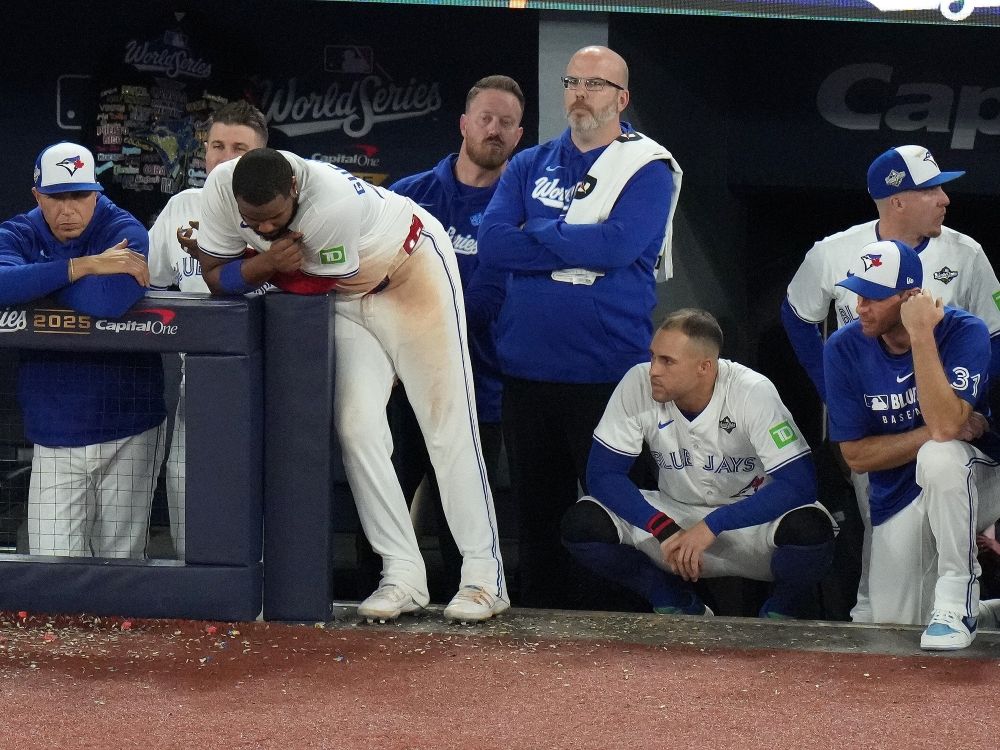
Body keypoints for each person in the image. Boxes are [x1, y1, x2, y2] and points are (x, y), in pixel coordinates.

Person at [194, 147, 508, 622]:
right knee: (355, 428)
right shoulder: (220, 187)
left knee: (447, 427)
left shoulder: (330, 200)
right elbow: (217, 279)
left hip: (410, 269)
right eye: (251, 220)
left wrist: (257, 266)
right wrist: (264, 264)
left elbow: (307, 286)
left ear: (294, 190)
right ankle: (402, 573)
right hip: (348, 297)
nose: (262, 229)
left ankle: (485, 578)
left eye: (274, 217)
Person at [477, 45, 683, 608]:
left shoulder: (646, 168)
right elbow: (494, 245)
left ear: (622, 98)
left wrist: (538, 232)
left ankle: (628, 620)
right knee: (536, 511)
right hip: (525, 371)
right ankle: (540, 617)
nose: (580, 93)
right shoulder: (528, 163)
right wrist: (570, 243)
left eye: (595, 83)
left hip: (605, 373)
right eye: (573, 81)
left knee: (616, 510)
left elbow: (619, 246)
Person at [782, 145, 1000, 624]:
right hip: (881, 425)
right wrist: (835, 393)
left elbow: (994, 335)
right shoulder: (835, 253)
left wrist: (973, 406)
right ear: (898, 199)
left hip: (954, 424)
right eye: (932, 189)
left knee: (943, 471)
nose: (945, 199)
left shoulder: (965, 254)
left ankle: (955, 602)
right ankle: (892, 616)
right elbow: (797, 315)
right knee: (885, 547)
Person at [560, 309, 835, 618]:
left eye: (667, 361)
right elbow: (602, 474)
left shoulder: (752, 391)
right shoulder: (638, 383)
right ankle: (675, 602)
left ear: (705, 367)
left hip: (748, 519)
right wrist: (661, 526)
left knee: (810, 529)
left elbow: (800, 484)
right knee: (583, 522)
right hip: (673, 517)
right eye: (653, 357)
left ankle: (778, 616)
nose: (653, 370)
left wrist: (714, 524)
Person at [380, 74, 524, 593]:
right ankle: (383, 597)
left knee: (456, 514)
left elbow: (491, 304)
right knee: (385, 498)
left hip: (479, 388)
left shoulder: (521, 211)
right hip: (403, 385)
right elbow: (378, 283)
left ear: (519, 134)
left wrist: (423, 300)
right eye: (485, 118)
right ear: (464, 124)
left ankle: (456, 620)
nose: (494, 130)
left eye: (506, 123)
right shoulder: (409, 197)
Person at [824, 239, 1000, 650]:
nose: (859, 306)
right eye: (857, 293)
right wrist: (950, 426)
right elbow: (856, 455)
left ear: (909, 297)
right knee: (895, 626)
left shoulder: (962, 330)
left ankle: (958, 596)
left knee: (940, 456)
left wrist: (921, 334)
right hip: (898, 490)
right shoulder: (843, 348)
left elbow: (942, 430)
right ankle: (988, 612)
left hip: (978, 479)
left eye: (873, 297)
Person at [0, 142, 165, 558]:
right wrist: (83, 267)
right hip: (54, 430)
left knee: (121, 567)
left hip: (129, 427)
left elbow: (108, 301)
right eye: (56, 197)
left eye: (79, 195)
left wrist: (37, 285)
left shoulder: (122, 229)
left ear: (97, 194)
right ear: (37, 196)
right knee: (51, 564)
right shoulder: (19, 232)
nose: (68, 209)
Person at [147, 100, 269, 559]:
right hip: (193, 386)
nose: (225, 157)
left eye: (240, 148)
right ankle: (192, 589)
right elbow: (151, 286)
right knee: (184, 485)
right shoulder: (183, 207)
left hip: (266, 385)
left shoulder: (282, 213)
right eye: (217, 145)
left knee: (263, 491)